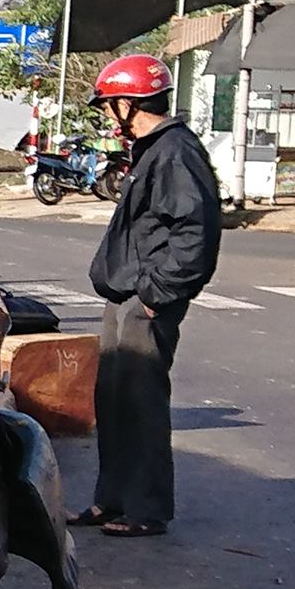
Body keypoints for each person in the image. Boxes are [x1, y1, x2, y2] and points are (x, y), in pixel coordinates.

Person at [68, 51, 220, 538]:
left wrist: (156, 293)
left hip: (146, 300)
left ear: (129, 104)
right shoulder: (154, 149)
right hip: (126, 295)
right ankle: (110, 501)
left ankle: (145, 509)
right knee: (113, 401)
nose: (108, 117)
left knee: (140, 404)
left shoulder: (175, 152)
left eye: (110, 106)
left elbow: (194, 234)